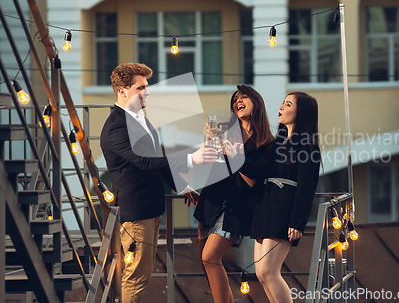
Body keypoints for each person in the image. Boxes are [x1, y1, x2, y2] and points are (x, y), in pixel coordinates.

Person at [100, 63, 217, 303]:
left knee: (143, 273)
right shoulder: (116, 127)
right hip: (135, 213)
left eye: (147, 85)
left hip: (151, 209)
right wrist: (191, 159)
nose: (148, 91)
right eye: (141, 87)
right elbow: (145, 162)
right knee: (136, 276)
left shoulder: (141, 119)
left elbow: (159, 159)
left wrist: (181, 186)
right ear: (122, 91)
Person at [229, 91, 321, 303]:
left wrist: (298, 222)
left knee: (269, 272)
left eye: (288, 104)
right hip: (265, 208)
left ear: (301, 112)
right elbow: (258, 171)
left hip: (283, 211)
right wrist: (235, 154)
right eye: (282, 102)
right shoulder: (277, 143)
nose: (281, 107)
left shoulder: (307, 145)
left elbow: (307, 187)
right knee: (261, 274)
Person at [194, 85, 274, 303]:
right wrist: (207, 142)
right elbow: (208, 165)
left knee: (210, 257)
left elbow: (253, 180)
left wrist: (235, 154)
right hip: (211, 202)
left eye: (244, 96)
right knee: (206, 263)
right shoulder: (226, 131)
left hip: (237, 208)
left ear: (256, 102)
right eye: (235, 98)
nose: (238, 100)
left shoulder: (267, 143)